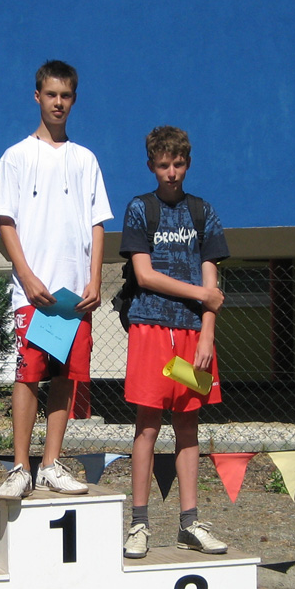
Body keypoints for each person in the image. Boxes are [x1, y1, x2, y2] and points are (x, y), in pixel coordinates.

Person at [0, 59, 113, 499]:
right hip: (33, 295)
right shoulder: (17, 156)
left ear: (74, 100)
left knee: (65, 377)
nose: (58, 102)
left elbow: (98, 223)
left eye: (66, 95)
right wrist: (25, 275)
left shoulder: (85, 159)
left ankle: (50, 464)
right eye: (51, 94)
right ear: (37, 96)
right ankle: (20, 467)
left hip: (74, 296)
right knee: (27, 376)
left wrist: (95, 280)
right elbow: (5, 220)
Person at [120, 126, 229, 558]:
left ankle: (190, 523)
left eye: (178, 164)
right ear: (151, 165)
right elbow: (144, 275)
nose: (171, 172)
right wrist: (201, 294)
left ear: (188, 163)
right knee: (147, 425)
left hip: (193, 336)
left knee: (187, 426)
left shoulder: (203, 212)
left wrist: (207, 333)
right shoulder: (139, 209)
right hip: (150, 330)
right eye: (163, 165)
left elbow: (211, 284)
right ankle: (139, 524)